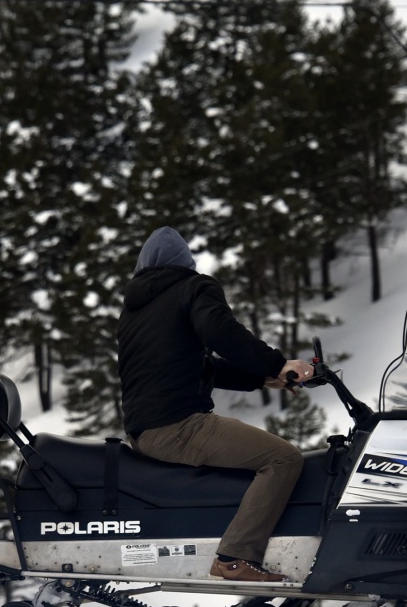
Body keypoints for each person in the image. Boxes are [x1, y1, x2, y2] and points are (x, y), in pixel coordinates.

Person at [117, 227, 315, 583]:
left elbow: (197, 367)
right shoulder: (193, 287)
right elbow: (220, 330)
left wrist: (261, 378)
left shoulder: (135, 310)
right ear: (185, 263)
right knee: (283, 457)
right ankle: (235, 558)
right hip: (179, 426)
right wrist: (276, 363)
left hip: (145, 430)